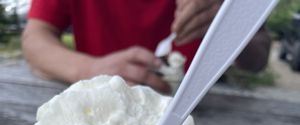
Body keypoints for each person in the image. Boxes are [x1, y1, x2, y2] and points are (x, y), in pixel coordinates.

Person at [22, 0, 271, 93]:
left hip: (202, 113)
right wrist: (89, 68)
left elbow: (259, 58)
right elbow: (35, 39)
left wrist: (230, 23)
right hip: (100, 101)